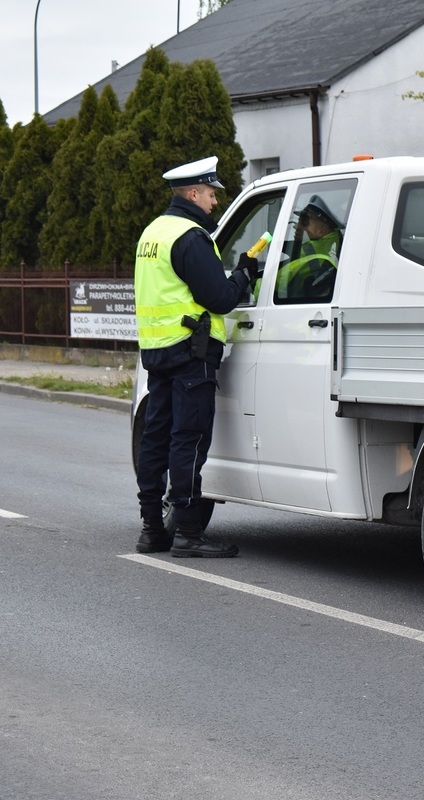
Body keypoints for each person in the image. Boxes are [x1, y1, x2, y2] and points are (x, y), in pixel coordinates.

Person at [134, 156, 256, 558]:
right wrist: (243, 274)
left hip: (158, 351)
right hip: (191, 352)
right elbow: (219, 298)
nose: (214, 201)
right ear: (192, 193)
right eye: (210, 194)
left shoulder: (153, 232)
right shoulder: (191, 237)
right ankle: (188, 531)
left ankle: (152, 528)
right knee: (189, 438)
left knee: (156, 438)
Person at [280, 196, 342, 300]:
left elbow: (270, 286)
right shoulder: (337, 248)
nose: (296, 226)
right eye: (298, 221)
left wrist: (254, 281)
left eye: (304, 222)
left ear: (322, 230)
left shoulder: (307, 252)